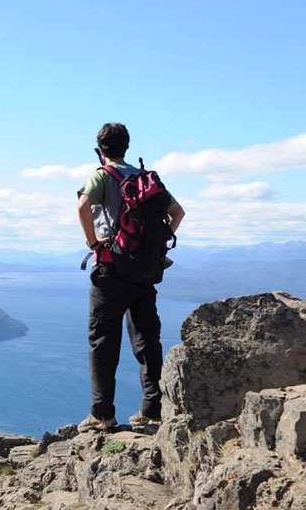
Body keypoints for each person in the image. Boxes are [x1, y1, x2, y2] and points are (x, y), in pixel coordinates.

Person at [76, 123, 185, 432]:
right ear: (126, 147)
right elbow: (178, 213)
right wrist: (154, 246)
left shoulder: (102, 175)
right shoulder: (145, 180)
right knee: (148, 340)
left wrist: (93, 243)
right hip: (145, 272)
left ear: (101, 151)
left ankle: (102, 415)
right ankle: (151, 411)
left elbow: (83, 205)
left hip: (111, 269)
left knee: (103, 340)